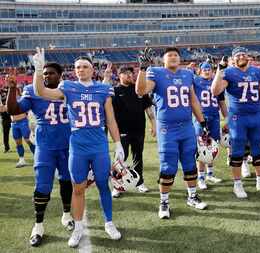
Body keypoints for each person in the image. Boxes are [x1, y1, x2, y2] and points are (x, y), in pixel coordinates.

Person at [32, 48, 124, 247]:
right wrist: (38, 70)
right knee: (78, 188)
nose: (81, 70)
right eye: (77, 67)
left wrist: (118, 143)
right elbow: (42, 91)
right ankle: (79, 227)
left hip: (99, 145)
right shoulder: (68, 87)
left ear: (92, 70)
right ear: (74, 71)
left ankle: (109, 222)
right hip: (77, 147)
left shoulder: (102, 89)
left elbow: (111, 119)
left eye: (85, 66)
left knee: (103, 185)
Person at [6, 62, 74, 247]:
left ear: (60, 75)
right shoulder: (32, 90)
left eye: (51, 73)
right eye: (44, 73)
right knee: (43, 186)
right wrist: (12, 89)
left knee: (67, 181)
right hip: (45, 146)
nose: (46, 76)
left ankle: (67, 215)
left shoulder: (68, 89)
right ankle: (38, 226)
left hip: (67, 145)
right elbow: (14, 110)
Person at [136, 47, 208, 219]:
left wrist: (202, 121)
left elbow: (193, 99)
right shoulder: (156, 72)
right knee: (168, 165)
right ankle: (164, 202)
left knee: (190, 162)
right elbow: (140, 91)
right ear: (163, 59)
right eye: (170, 55)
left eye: (176, 55)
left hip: (186, 126)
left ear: (180, 58)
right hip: (167, 128)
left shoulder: (187, 74)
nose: (174, 57)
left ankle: (192, 196)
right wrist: (142, 69)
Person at [211, 46, 260, 198]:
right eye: (237, 55)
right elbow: (215, 91)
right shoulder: (228, 72)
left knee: (258, 149)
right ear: (233, 59)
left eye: (243, 54)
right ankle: (237, 185)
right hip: (238, 118)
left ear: (248, 57)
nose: (241, 56)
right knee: (238, 151)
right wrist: (219, 72)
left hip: (256, 116)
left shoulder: (256, 71)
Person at [112, 66, 156, 197]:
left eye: (131, 73)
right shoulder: (115, 91)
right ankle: (117, 185)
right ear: (119, 76)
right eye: (126, 73)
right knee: (120, 159)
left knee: (138, 157)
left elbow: (148, 108)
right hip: (122, 131)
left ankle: (139, 183)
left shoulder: (139, 89)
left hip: (138, 129)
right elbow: (110, 114)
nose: (130, 75)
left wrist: (153, 124)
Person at [193, 62, 227, 190]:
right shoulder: (195, 82)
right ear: (200, 71)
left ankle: (210, 174)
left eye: (209, 69)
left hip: (215, 117)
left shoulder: (216, 82)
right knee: (202, 148)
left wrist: (227, 118)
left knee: (213, 146)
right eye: (204, 69)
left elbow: (222, 102)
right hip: (201, 117)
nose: (207, 71)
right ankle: (200, 178)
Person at [2, 75, 35, 167]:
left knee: (28, 140)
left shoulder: (20, 97)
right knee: (18, 142)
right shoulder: (9, 98)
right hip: (14, 123)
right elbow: (5, 109)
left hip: (23, 121)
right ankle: (21, 160)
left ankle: (36, 157)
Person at [0, 82, 11, 153]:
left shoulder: (9, 90)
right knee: (5, 132)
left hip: (13, 114)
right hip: (4, 116)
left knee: (20, 132)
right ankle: (6, 147)